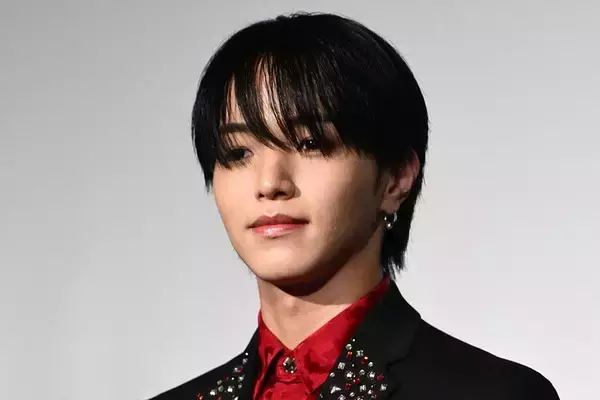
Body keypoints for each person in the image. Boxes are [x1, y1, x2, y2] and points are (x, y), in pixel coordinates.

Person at [150, 12, 559, 400]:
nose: (270, 184)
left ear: (396, 178)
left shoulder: (495, 393)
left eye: (311, 143)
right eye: (238, 153)